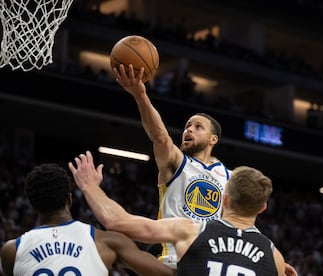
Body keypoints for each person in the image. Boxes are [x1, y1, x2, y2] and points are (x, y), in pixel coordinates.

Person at [68, 150, 298, 276]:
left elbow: (116, 221)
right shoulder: (274, 257)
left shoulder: (191, 230)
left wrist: (89, 186)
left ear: (224, 199)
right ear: (263, 207)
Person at [114, 64, 231, 266]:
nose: (189, 130)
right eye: (187, 126)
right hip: (172, 262)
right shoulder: (177, 162)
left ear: (213, 140)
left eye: (197, 127)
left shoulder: (229, 176)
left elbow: (241, 222)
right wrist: (141, 95)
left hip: (210, 265)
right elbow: (160, 137)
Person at [0, 163, 174, 276]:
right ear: (69, 199)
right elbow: (166, 274)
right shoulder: (106, 242)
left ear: (32, 205)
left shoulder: (11, 251)